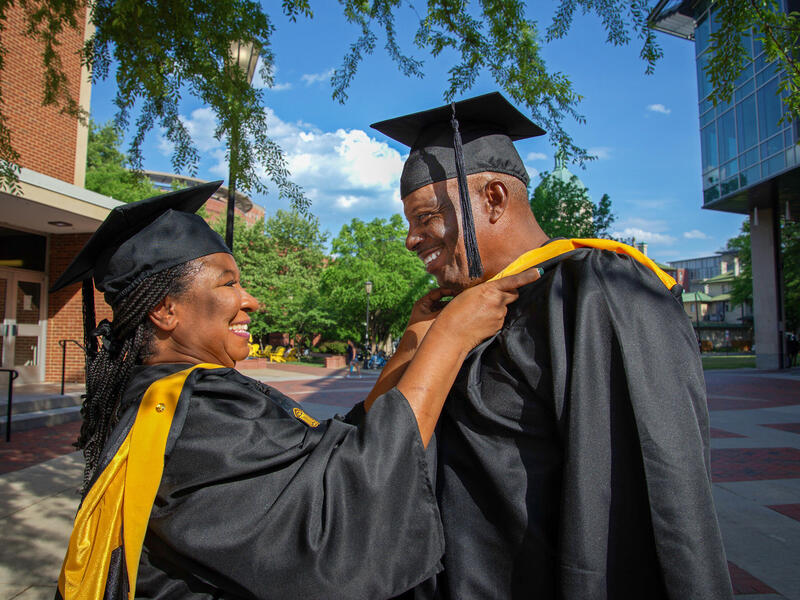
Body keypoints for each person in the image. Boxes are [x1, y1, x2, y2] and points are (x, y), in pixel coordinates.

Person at [51, 181, 541, 600]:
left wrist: (412, 345)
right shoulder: (190, 412)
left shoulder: (172, 398)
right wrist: (451, 338)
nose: (251, 301)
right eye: (228, 284)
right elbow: (344, 508)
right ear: (165, 311)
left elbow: (321, 456)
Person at [371, 92, 733, 599]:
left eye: (426, 217)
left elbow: (652, 497)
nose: (411, 239)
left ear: (494, 198)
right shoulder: (458, 313)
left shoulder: (597, 292)